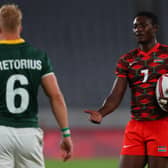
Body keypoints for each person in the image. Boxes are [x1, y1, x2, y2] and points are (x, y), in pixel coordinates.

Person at [85, 11, 168, 168]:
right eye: (135, 26)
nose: (138, 29)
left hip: (161, 124)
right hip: (136, 127)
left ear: (155, 28)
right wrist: (101, 113)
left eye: (143, 25)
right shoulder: (127, 60)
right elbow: (116, 94)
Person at [0, 3, 73, 168]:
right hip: (28, 134)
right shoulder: (38, 57)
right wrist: (66, 133)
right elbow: (56, 96)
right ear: (20, 26)